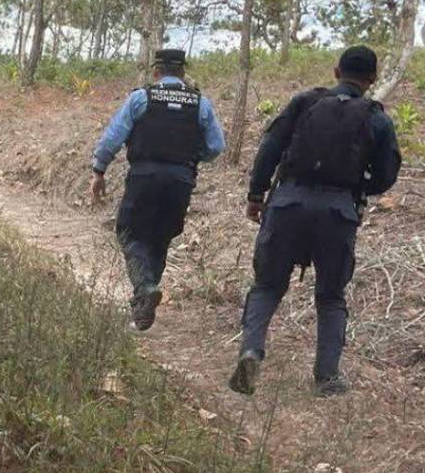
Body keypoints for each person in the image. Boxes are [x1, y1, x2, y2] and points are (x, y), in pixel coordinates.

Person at [229, 45, 401, 397]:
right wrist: (356, 186)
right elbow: (387, 175)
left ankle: (251, 351)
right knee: (331, 296)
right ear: (371, 80)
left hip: (287, 204)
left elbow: (269, 148)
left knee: (267, 286)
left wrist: (256, 195)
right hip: (338, 212)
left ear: (336, 71)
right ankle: (327, 377)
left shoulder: (304, 102)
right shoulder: (376, 117)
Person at [89, 48, 225, 330]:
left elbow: (112, 138)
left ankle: (145, 288)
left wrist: (99, 171)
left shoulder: (141, 98)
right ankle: (143, 307)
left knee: (128, 232)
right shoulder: (200, 103)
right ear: (183, 73)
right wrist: (189, 157)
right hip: (181, 180)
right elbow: (216, 147)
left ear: (156, 72)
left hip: (144, 176)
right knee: (160, 238)